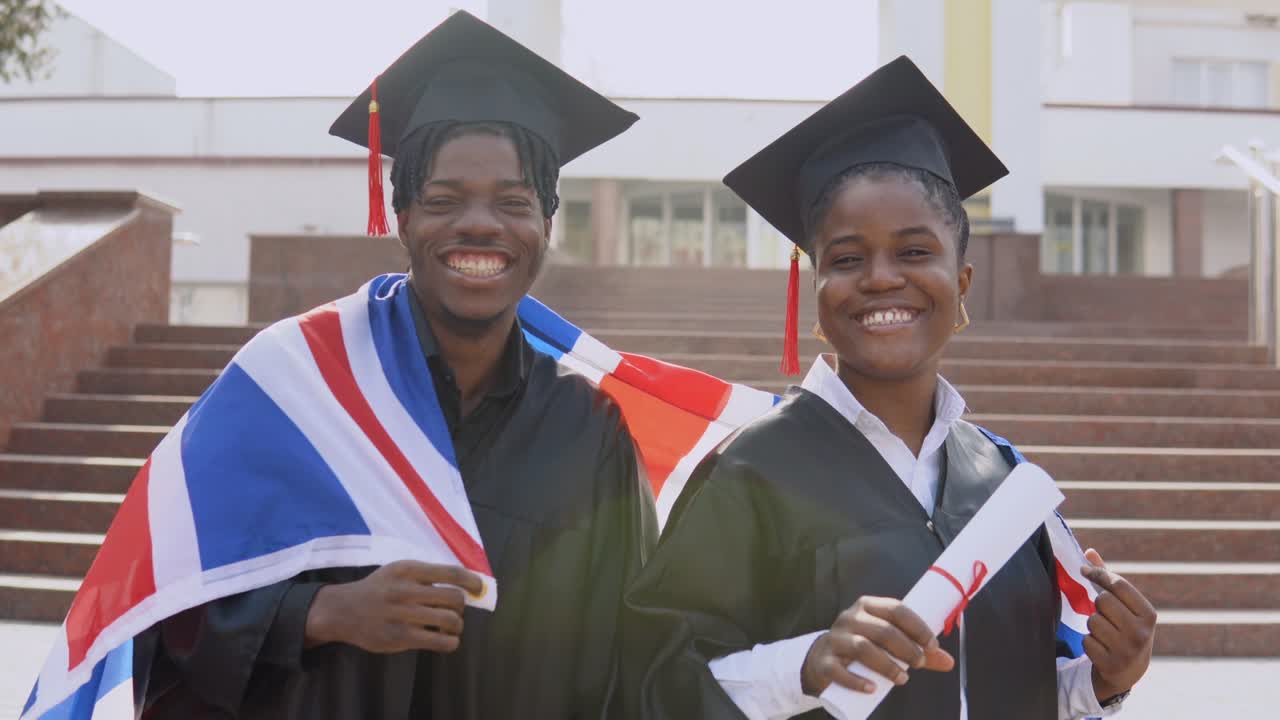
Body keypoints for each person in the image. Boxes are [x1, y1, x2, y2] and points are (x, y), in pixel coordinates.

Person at [132, 12, 655, 719]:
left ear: (545, 226)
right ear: (402, 215)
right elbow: (166, 594)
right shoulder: (293, 387)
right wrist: (320, 612)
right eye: (443, 200)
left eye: (513, 202)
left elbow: (631, 665)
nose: (480, 224)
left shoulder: (587, 431)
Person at [622, 57, 1156, 720]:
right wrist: (805, 667)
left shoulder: (1000, 478)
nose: (880, 279)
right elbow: (651, 690)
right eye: (847, 258)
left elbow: (999, 691)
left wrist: (1105, 680)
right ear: (815, 291)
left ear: (961, 281)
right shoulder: (751, 473)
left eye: (913, 252)